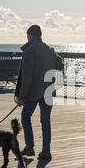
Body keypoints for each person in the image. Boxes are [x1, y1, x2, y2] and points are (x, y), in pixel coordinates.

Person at [14, 25, 64, 161]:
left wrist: (21, 97)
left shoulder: (29, 51)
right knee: (45, 121)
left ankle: (29, 147)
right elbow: (60, 64)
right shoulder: (49, 49)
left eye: (27, 35)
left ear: (30, 35)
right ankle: (46, 151)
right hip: (48, 90)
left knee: (25, 116)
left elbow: (27, 77)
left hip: (34, 92)